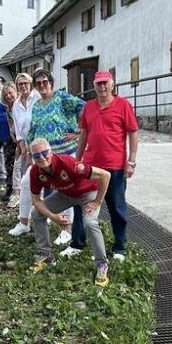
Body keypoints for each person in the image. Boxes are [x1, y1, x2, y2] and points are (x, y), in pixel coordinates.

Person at [71, 70, 138, 262]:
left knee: (116, 207)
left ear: (112, 85)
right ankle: (77, 243)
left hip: (115, 166)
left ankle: (120, 248)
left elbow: (133, 133)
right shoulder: (89, 107)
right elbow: (83, 134)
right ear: (94, 86)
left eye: (105, 83)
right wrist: (78, 160)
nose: (102, 87)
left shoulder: (123, 105)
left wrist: (131, 162)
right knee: (81, 203)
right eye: (98, 84)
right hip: (91, 167)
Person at [27, 138, 111, 287]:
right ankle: (45, 254)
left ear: (51, 152)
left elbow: (105, 175)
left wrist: (97, 201)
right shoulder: (35, 172)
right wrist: (52, 217)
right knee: (36, 214)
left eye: (44, 153)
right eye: (36, 155)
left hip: (87, 193)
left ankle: (102, 264)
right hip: (66, 194)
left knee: (90, 223)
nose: (41, 157)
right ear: (32, 157)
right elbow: (36, 201)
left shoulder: (67, 163)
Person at [25, 68, 85, 248]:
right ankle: (50, 218)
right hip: (44, 156)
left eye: (45, 82)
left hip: (65, 152)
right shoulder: (36, 105)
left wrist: (79, 132)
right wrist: (29, 150)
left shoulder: (61, 98)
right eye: (38, 83)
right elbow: (33, 130)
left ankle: (67, 229)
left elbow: (84, 107)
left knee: (67, 190)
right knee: (35, 185)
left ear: (51, 82)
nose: (42, 85)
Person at [7, 73, 40, 236]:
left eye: (25, 83)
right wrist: (24, 148)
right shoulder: (16, 105)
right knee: (27, 182)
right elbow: (19, 131)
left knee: (43, 182)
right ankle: (24, 222)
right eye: (20, 84)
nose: (23, 86)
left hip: (42, 148)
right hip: (27, 148)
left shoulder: (38, 97)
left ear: (31, 83)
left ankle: (44, 216)